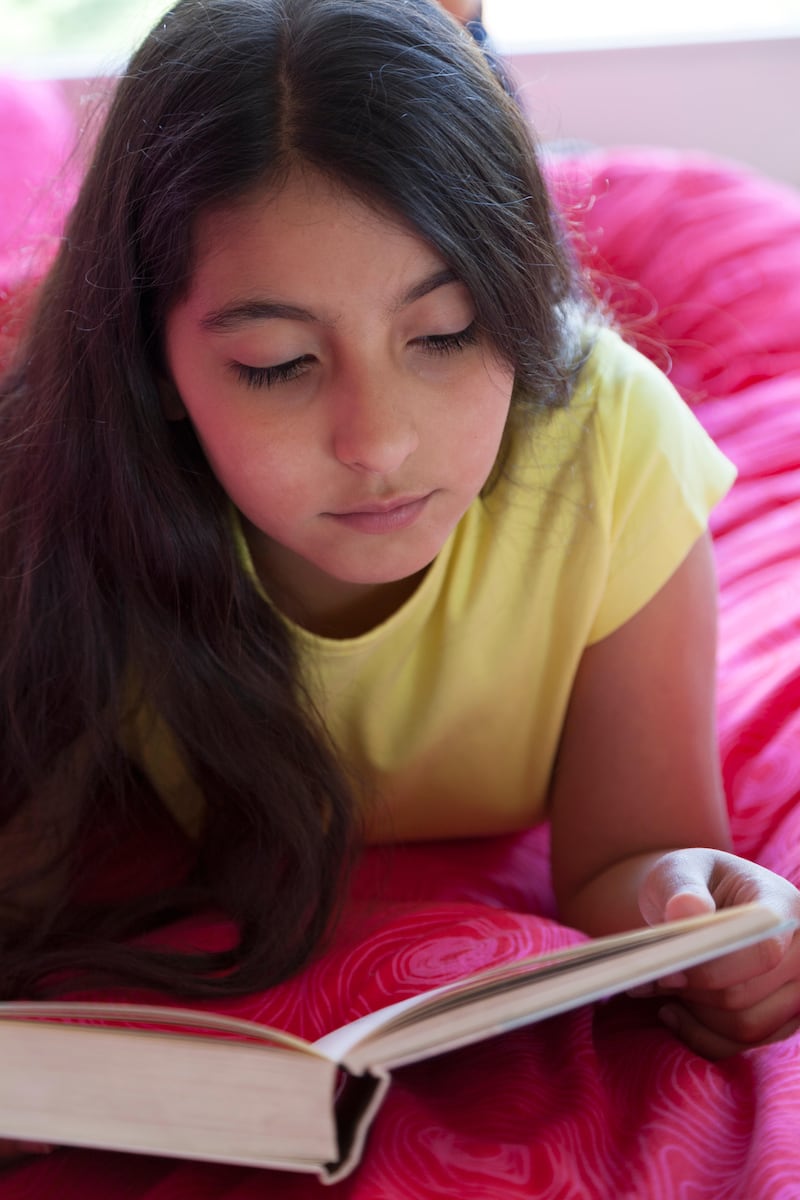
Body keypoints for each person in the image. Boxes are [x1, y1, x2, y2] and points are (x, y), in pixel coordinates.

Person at [1, 0, 799, 1127]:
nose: (375, 441)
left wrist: (696, 911)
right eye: (277, 364)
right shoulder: (60, 475)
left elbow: (633, 855)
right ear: (150, 359)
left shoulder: (611, 452)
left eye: (443, 335)